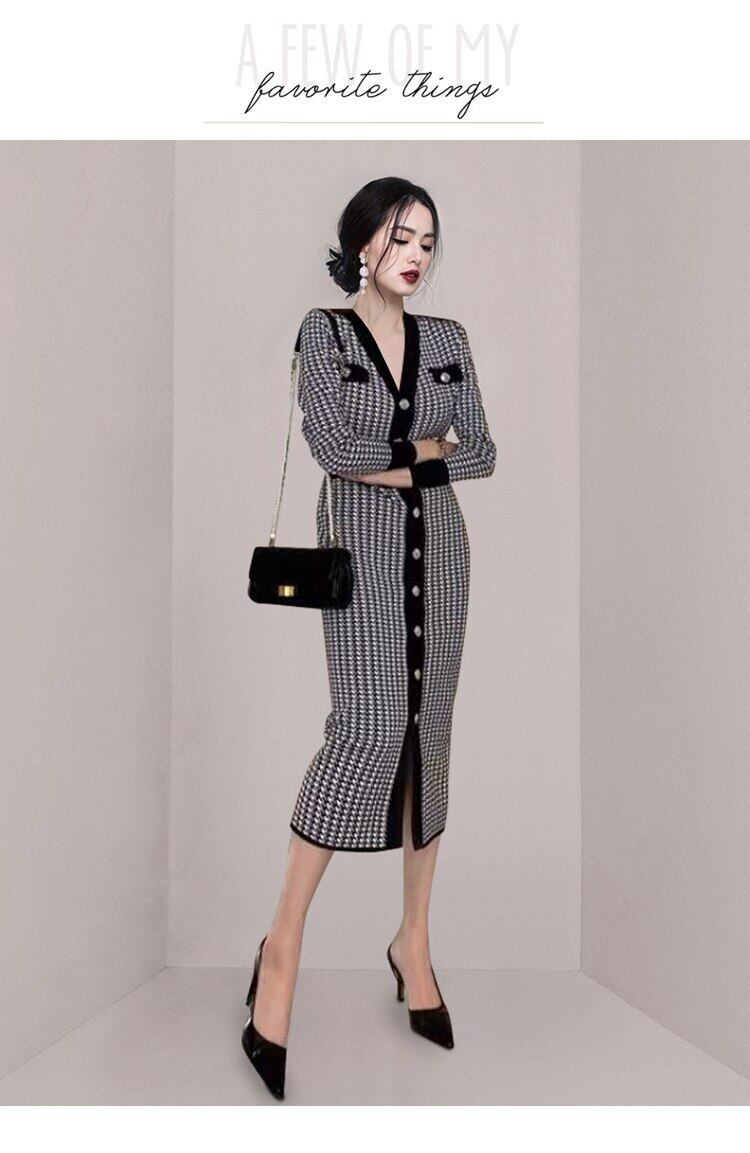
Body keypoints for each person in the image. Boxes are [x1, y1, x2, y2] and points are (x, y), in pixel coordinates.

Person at [242, 176, 497, 1099]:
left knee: (430, 733)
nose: (416, 254)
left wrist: (410, 461)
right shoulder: (324, 332)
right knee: (365, 729)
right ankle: (282, 947)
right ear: (361, 244)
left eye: (427, 239)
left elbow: (483, 451)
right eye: (400, 237)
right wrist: (427, 454)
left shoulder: (449, 340)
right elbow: (335, 450)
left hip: (444, 557)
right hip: (362, 559)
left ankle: (413, 942)